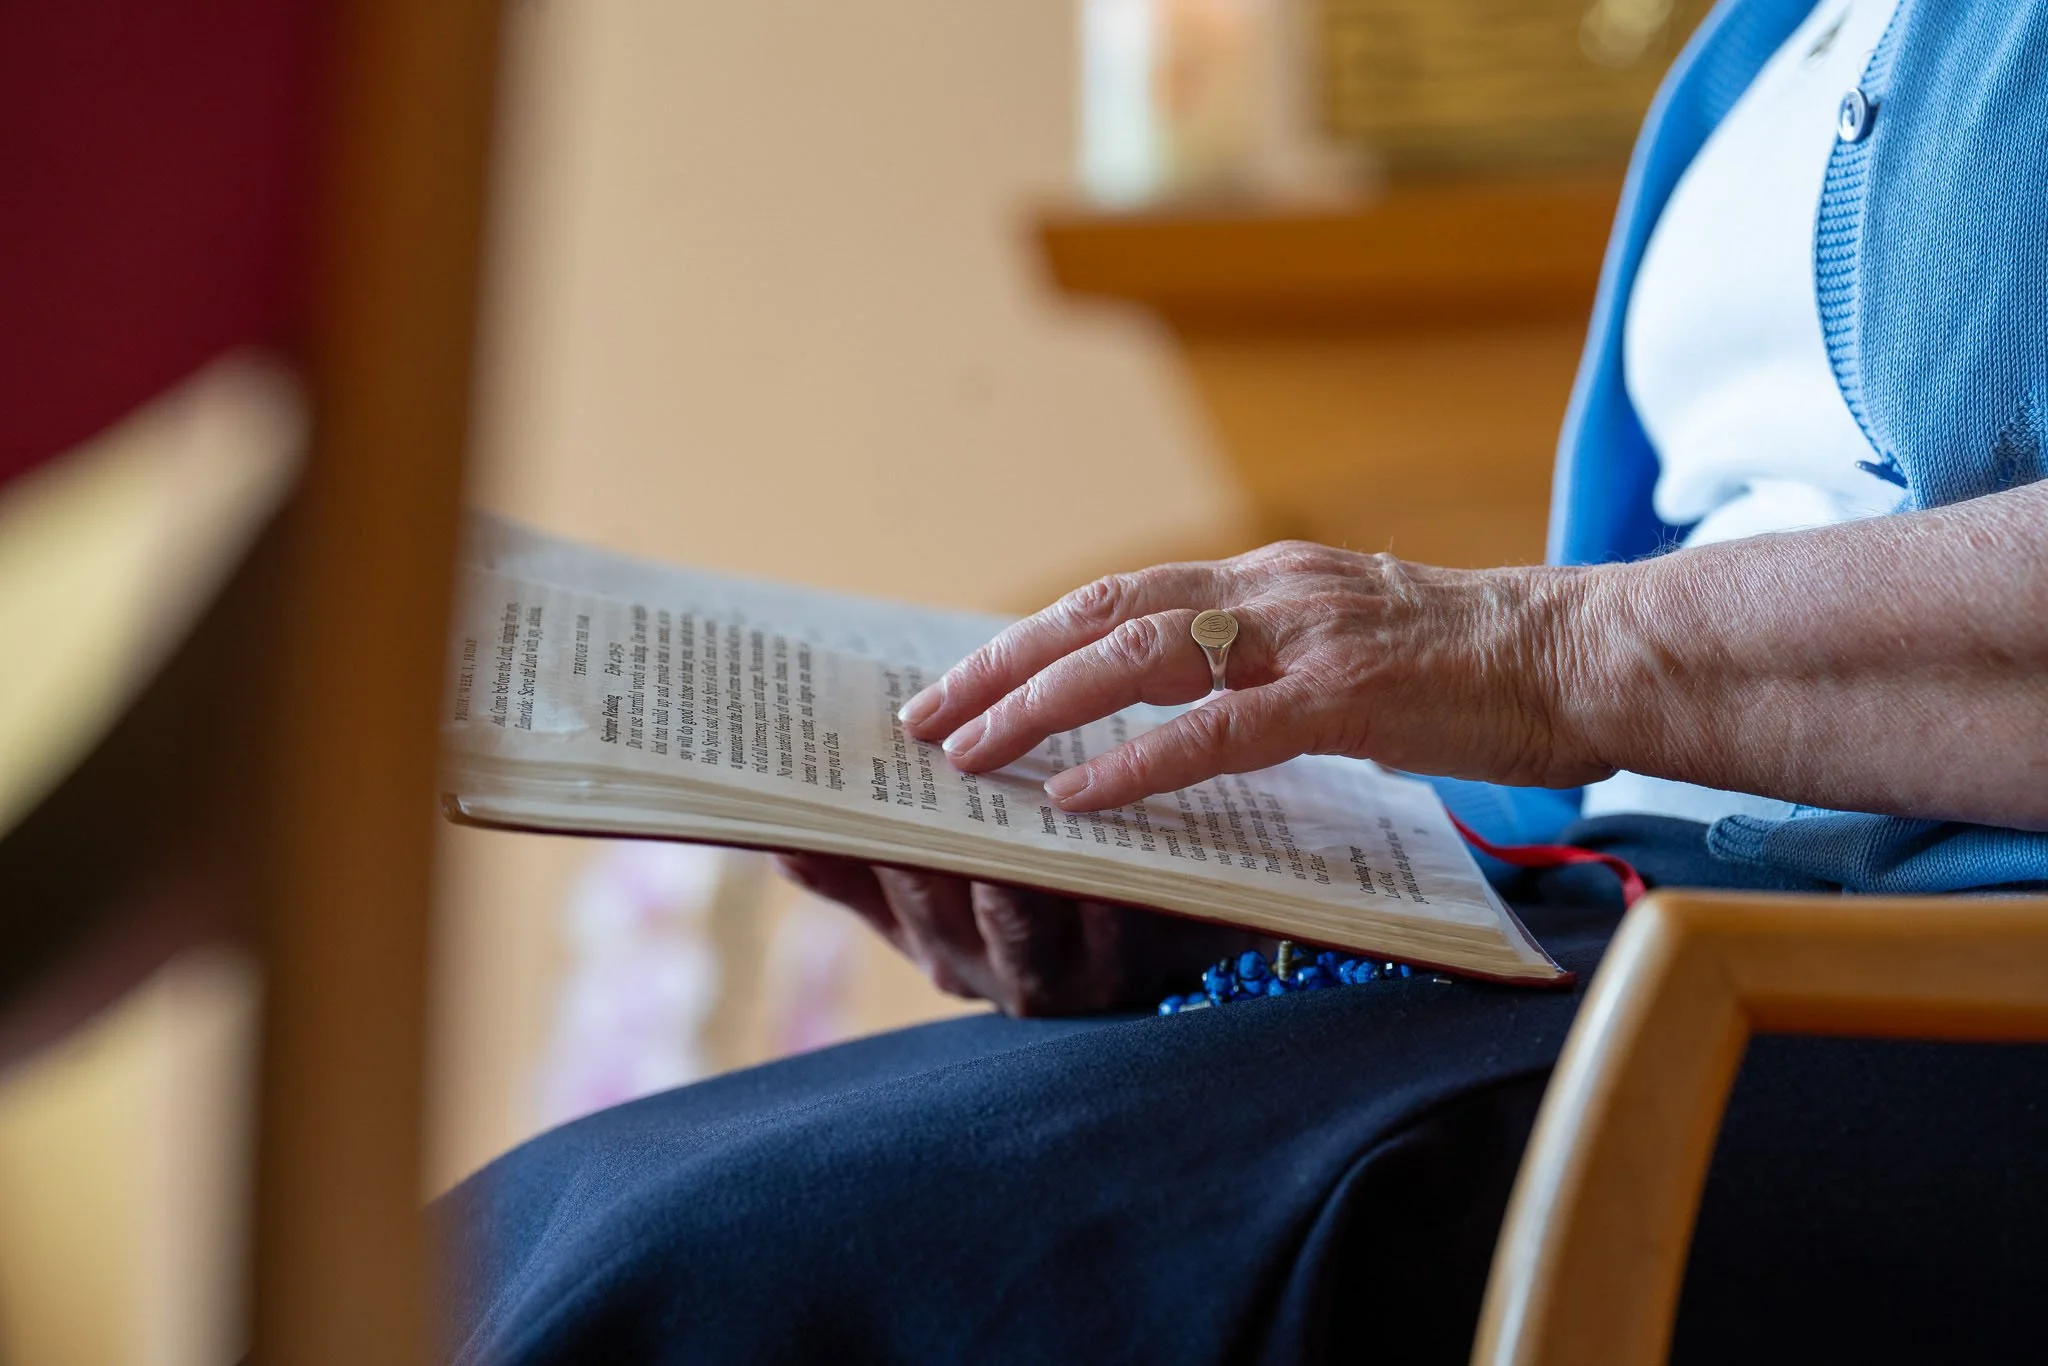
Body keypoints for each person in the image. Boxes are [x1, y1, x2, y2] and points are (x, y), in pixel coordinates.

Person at [439, 3, 2048, 1362]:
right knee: (572, 1217)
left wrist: (1541, 648)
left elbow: (1596, 674)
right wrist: (1271, 870)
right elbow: (1622, 776)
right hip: (1631, 926)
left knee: (743, 1281)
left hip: (1918, 1020)